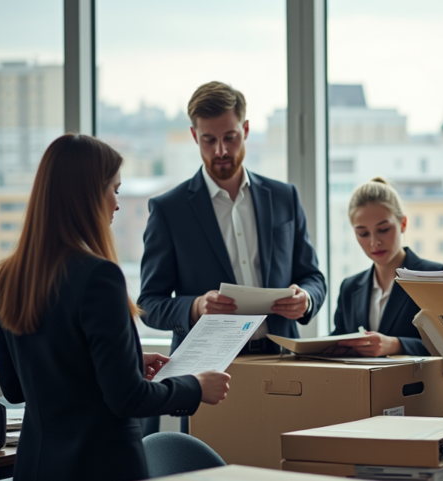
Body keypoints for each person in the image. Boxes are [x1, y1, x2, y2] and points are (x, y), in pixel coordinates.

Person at [0, 134, 231, 481]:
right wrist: (195, 386)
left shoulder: (8, 277)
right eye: (114, 190)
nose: (117, 204)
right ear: (88, 195)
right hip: (100, 466)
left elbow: (16, 388)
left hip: (37, 467)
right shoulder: (99, 277)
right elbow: (127, 398)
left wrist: (129, 361)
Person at [139, 81, 326, 355]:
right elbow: (148, 304)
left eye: (230, 137)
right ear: (194, 135)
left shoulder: (285, 197)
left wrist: (306, 299)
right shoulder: (169, 210)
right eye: (209, 140)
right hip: (204, 367)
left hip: (282, 360)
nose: (221, 151)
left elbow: (312, 277)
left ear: (246, 129)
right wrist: (195, 307)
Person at [328, 178, 443, 357]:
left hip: (420, 384)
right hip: (359, 385)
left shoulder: (438, 278)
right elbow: (338, 341)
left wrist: (396, 345)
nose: (374, 242)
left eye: (383, 229)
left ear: (403, 224)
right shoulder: (349, 287)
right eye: (363, 233)